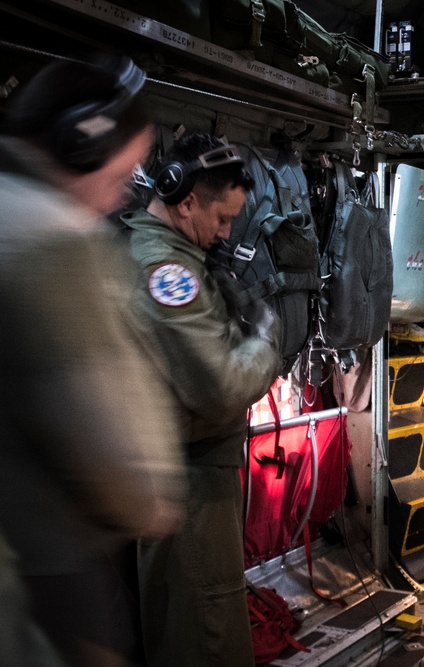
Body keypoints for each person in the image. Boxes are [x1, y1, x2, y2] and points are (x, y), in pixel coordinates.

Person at [0, 53, 185, 666]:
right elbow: (89, 419)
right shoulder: (52, 240)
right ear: (83, 142)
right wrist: (149, 501)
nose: (119, 196)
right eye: (124, 172)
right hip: (48, 568)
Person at [120, 132, 283, 666]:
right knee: (206, 637)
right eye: (222, 217)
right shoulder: (166, 270)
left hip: (187, 477)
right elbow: (220, 387)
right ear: (184, 199)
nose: (226, 231)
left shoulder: (180, 255)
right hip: (187, 486)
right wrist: (264, 343)